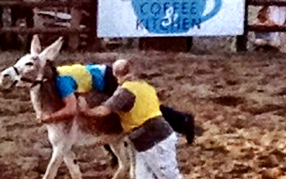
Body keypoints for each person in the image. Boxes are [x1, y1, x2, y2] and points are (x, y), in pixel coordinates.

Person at [78, 59, 212, 179]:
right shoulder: (144, 86)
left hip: (154, 138)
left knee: (170, 176)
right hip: (148, 138)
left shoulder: (124, 92)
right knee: (142, 177)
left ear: (115, 75)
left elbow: (104, 110)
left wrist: (86, 111)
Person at [39, 62, 197, 145]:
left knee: (132, 104)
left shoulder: (61, 82)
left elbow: (71, 108)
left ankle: (182, 120)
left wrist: (49, 117)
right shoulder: (60, 73)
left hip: (107, 78)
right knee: (110, 116)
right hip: (102, 75)